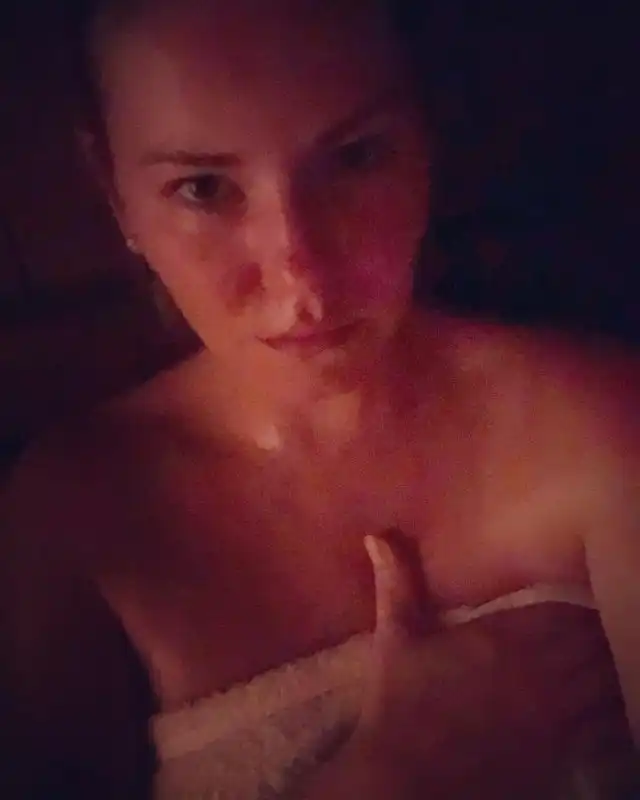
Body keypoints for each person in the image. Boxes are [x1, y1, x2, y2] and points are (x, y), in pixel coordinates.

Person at [2, 0, 639, 796]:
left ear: (424, 140)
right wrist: (392, 776)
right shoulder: (73, 523)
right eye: (204, 188)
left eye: (355, 158)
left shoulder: (599, 424)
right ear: (114, 192)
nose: (301, 276)